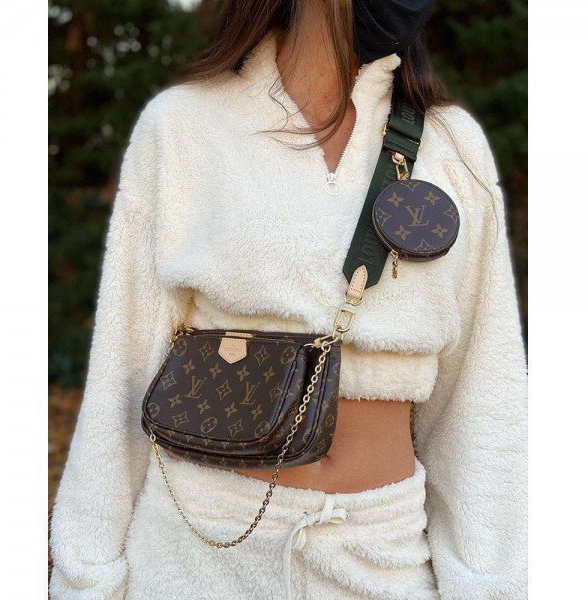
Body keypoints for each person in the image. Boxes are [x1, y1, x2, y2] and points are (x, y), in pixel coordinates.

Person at [49, 1, 527, 598]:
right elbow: (123, 369)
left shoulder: (451, 144)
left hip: (384, 556)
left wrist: (492, 583)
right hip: (196, 551)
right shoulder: (183, 124)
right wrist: (87, 577)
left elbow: (482, 393)